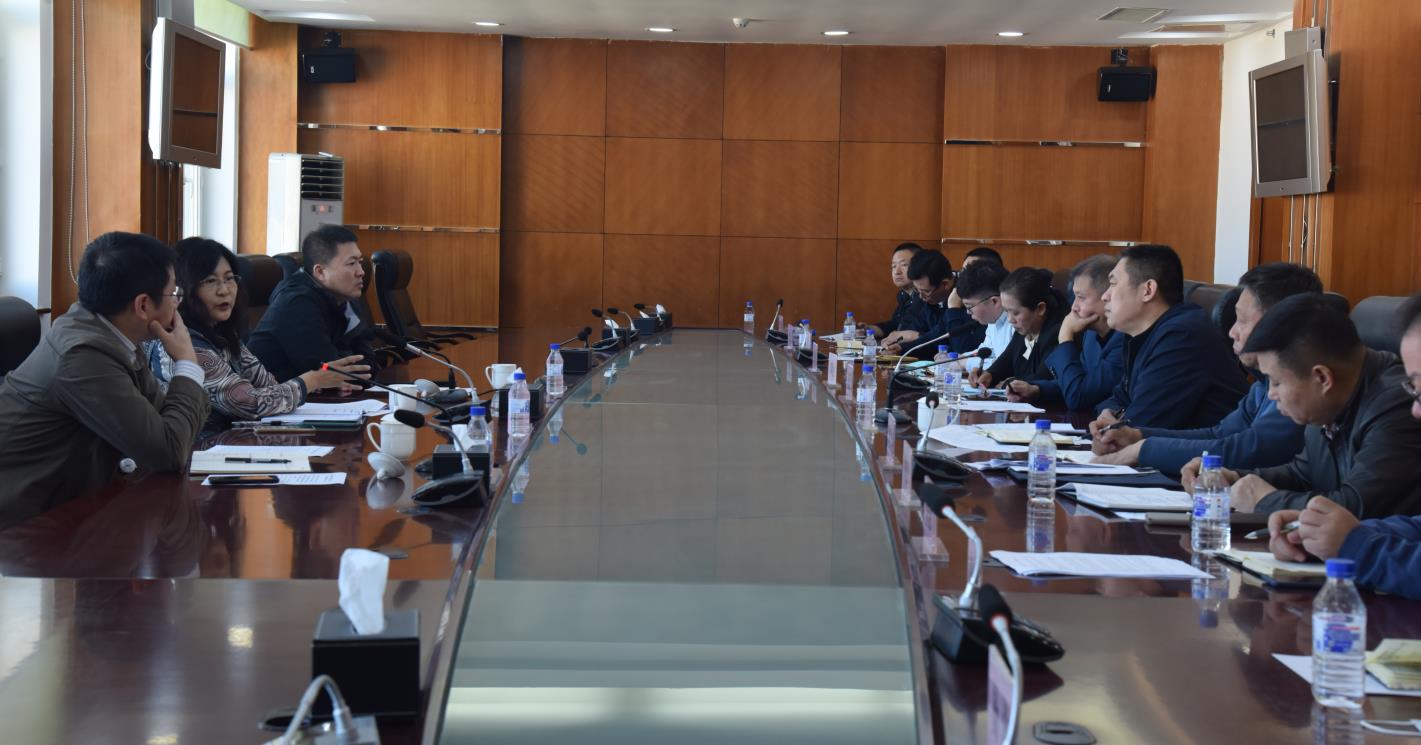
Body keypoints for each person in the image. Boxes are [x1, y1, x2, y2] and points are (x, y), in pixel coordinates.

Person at [0, 232, 210, 527]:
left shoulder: (108, 333)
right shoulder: (83, 354)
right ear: (142, 305)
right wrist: (187, 361)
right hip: (27, 528)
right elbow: (168, 452)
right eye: (173, 293)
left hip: (80, 512)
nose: (177, 303)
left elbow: (170, 429)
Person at [1184, 293, 1421, 517]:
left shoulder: (1398, 405)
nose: (1271, 394)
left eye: (1277, 382)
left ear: (1322, 378)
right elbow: (1303, 476)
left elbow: (1356, 508)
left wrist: (1264, 500)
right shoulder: (1328, 402)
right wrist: (1235, 478)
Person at [1093, 263, 1316, 476]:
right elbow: (1219, 433)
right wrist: (1136, 436)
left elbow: (1247, 450)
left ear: (1277, 324)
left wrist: (1143, 450)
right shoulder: (1262, 384)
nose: (1232, 332)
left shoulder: (1298, 387)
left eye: (1242, 321)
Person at [1267, 293, 1421, 599]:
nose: (1415, 410)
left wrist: (1355, 546)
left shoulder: (1388, 402)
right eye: (1414, 389)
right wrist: (1319, 534)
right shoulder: (1328, 411)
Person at [147, 238, 369, 437]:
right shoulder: (184, 344)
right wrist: (312, 381)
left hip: (232, 443)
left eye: (229, 279)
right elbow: (249, 402)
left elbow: (266, 384)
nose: (224, 290)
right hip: (196, 455)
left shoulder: (223, 334)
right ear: (184, 289)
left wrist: (318, 382)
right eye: (210, 281)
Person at [1088, 244, 1247, 438]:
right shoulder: (1143, 334)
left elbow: (1140, 426)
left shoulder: (1182, 337)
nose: (1104, 296)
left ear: (1148, 290)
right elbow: (1119, 397)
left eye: (1112, 284)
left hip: (1206, 455)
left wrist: (1117, 424)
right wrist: (1108, 412)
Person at [248, 225, 381, 382]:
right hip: (270, 393)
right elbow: (329, 371)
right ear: (320, 272)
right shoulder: (297, 304)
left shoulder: (347, 300)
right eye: (351, 264)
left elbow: (368, 365)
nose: (361, 272)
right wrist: (346, 371)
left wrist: (350, 370)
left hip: (317, 393)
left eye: (360, 261)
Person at [1015, 254, 1125, 411]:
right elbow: (1075, 379)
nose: (1074, 307)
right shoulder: (1091, 335)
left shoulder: (1124, 341)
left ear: (1108, 297)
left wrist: (1065, 338)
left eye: (1081, 298)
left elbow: (1078, 397)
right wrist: (1037, 389)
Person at [969, 267, 1067, 388]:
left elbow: (1040, 379)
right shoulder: (1026, 329)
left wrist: (1007, 384)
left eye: (1015, 313)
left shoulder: (1057, 335)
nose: (1010, 320)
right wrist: (989, 374)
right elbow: (1007, 359)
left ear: (1040, 309)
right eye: (1006, 311)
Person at [880, 250, 983, 356]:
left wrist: (953, 309)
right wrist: (901, 348)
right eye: (917, 290)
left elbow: (962, 349)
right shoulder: (928, 297)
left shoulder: (968, 300)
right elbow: (930, 335)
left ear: (945, 284)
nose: (921, 296)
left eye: (926, 291)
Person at [951, 259, 1013, 370]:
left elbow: (1005, 366)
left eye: (969, 306)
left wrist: (964, 363)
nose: (968, 312)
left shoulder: (1016, 323)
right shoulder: (993, 320)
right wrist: (958, 358)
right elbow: (985, 351)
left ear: (994, 302)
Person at [868, 243, 926, 338]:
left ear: (920, 266)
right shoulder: (903, 295)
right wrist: (869, 330)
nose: (897, 272)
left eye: (904, 265)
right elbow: (896, 325)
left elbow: (907, 332)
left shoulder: (924, 296)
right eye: (894, 266)